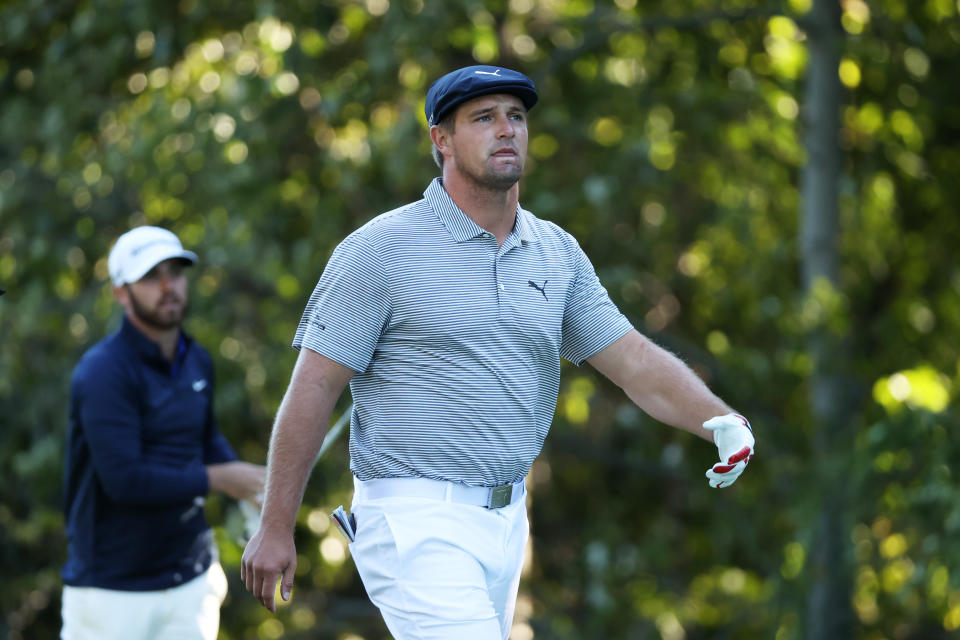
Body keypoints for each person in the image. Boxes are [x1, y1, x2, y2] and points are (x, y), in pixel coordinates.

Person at [240, 65, 756, 639]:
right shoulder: (380, 250)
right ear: (441, 139)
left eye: (515, 117)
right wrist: (276, 525)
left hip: (508, 520)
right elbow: (314, 386)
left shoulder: (554, 252)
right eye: (483, 118)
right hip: (413, 517)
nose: (506, 130)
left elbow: (632, 359)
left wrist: (720, 420)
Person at [61, 226, 267, 640]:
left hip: (190, 581)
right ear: (121, 293)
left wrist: (257, 481)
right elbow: (125, 480)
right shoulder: (103, 372)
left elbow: (205, 441)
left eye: (174, 272)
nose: (167, 286)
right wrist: (223, 478)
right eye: (151, 276)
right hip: (111, 590)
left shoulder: (197, 360)